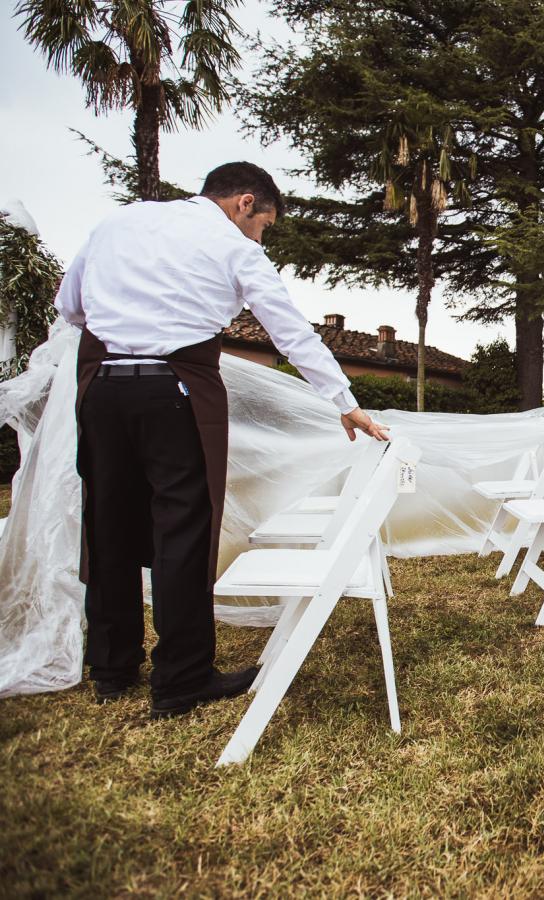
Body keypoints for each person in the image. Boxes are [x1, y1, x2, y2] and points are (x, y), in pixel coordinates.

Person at [54, 162, 389, 719]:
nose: (262, 236)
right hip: (175, 390)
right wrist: (344, 402)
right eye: (264, 225)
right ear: (244, 203)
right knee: (182, 527)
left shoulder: (121, 222)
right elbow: (289, 330)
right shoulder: (235, 248)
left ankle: (111, 668)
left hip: (103, 390)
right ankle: (181, 680)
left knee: (108, 522)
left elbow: (71, 306)